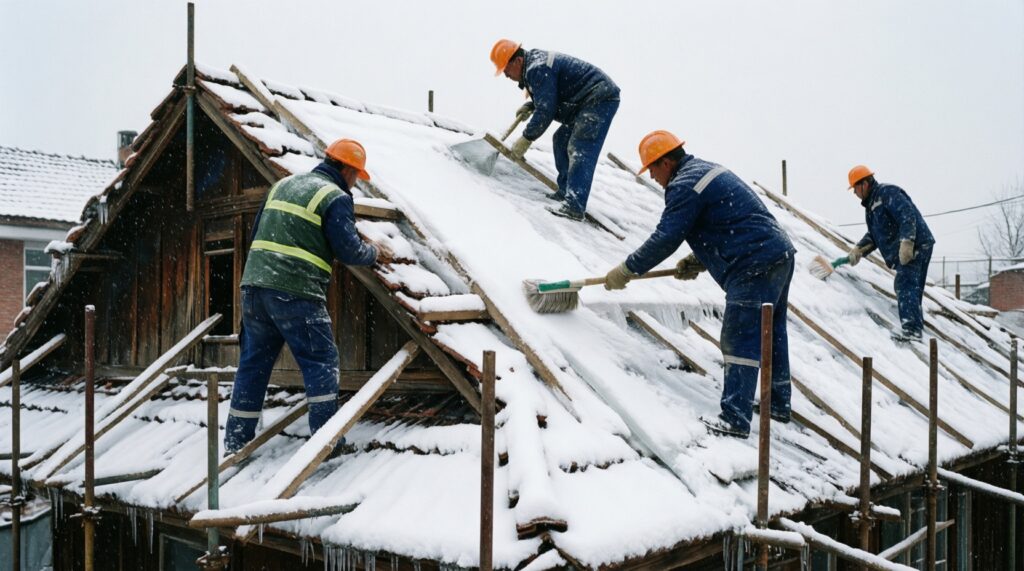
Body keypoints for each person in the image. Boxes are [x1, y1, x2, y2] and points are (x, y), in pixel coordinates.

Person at [603, 131, 796, 438]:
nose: (653, 177)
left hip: (752, 263)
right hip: (778, 254)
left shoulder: (683, 185)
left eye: (652, 169)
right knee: (771, 329)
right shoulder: (704, 171)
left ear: (666, 162)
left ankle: (734, 418)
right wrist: (698, 260)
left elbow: (666, 237)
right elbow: (728, 222)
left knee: (739, 335)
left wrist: (628, 269)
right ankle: (777, 401)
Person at [224, 139, 392, 453]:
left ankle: (235, 443)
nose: (356, 182)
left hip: (254, 288)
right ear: (346, 168)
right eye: (356, 175)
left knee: (253, 366)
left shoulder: (283, 184)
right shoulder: (335, 196)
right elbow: (349, 250)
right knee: (320, 362)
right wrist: (374, 253)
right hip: (296, 291)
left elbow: (256, 232)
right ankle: (327, 444)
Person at [490, 38, 620, 221]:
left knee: (580, 147)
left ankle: (575, 206)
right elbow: (549, 97)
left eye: (505, 70)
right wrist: (532, 105)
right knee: (561, 139)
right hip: (584, 102)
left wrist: (526, 138)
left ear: (517, 61)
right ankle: (566, 191)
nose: (506, 75)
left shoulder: (537, 68)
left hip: (599, 99)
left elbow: (547, 109)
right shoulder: (534, 65)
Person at [845, 165, 935, 342]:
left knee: (905, 283)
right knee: (912, 287)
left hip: (917, 245)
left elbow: (906, 214)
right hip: (915, 245)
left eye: (855, 188)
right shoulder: (871, 206)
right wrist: (859, 250)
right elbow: (875, 235)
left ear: (864, 183)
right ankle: (914, 326)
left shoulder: (887, 193)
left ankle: (912, 330)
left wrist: (907, 241)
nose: (855, 193)